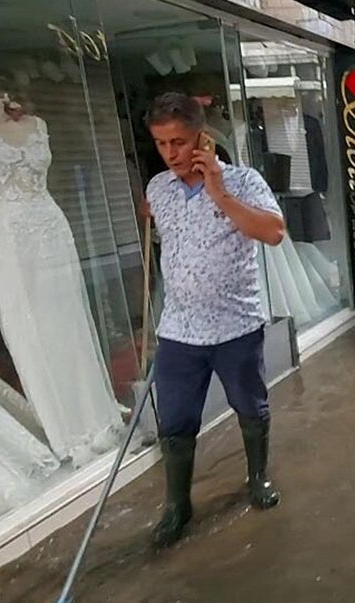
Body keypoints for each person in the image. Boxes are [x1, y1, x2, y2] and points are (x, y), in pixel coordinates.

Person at [144, 92, 286, 549]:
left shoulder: (243, 182)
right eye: (162, 144)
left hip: (235, 326)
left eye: (180, 142)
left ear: (202, 138)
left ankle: (257, 476)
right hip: (179, 331)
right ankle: (176, 505)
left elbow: (274, 233)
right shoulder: (158, 188)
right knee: (176, 421)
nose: (171, 154)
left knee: (250, 406)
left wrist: (218, 192)